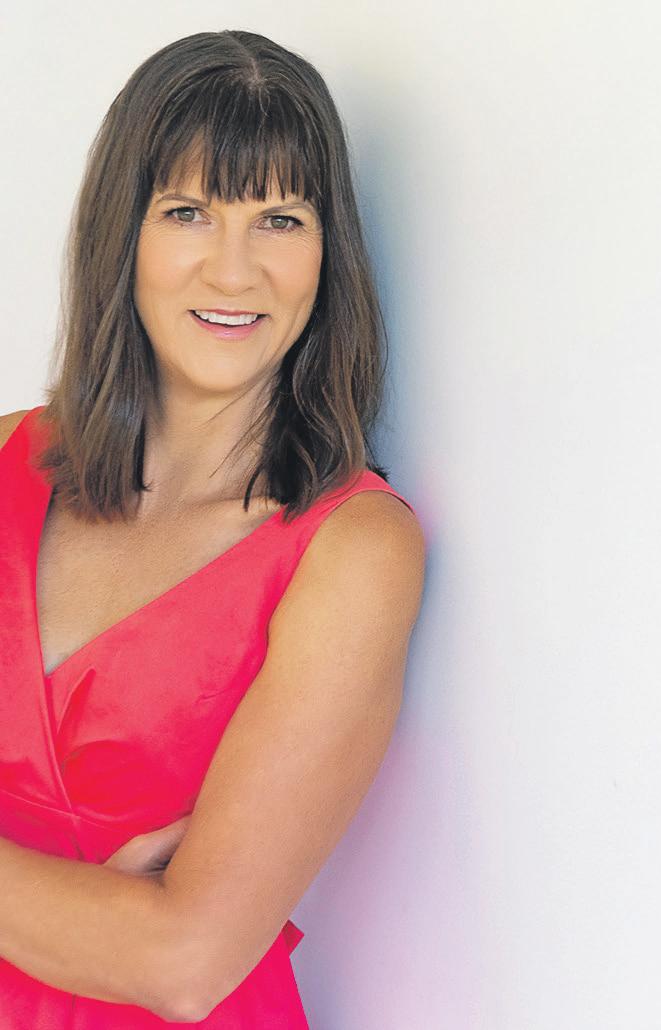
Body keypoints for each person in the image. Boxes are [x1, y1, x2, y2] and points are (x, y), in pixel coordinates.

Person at [0, 29, 425, 1026]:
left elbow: (183, 961)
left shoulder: (354, 550)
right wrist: (91, 908)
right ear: (124, 234)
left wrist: (145, 929)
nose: (234, 272)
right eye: (187, 211)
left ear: (327, 253)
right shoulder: (7, 456)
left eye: (279, 219)